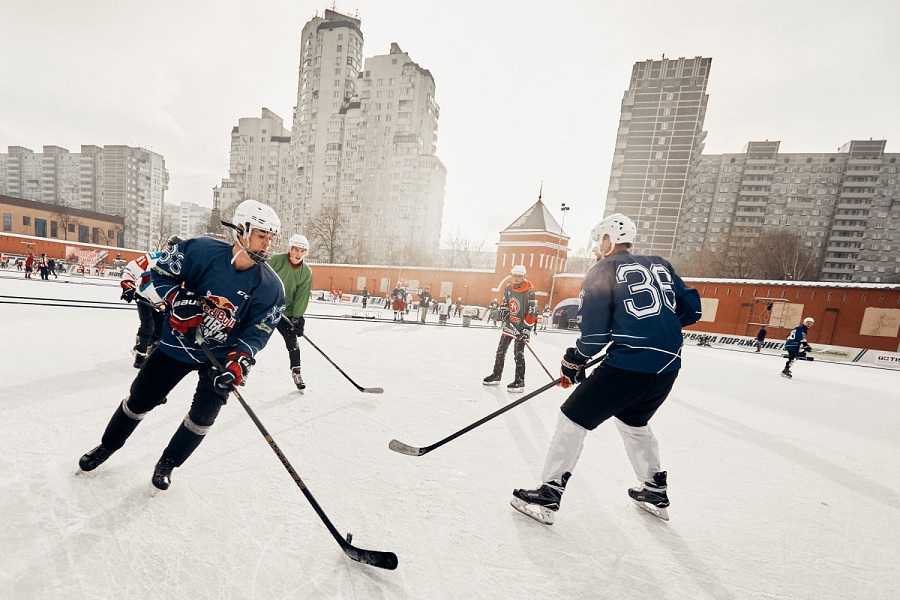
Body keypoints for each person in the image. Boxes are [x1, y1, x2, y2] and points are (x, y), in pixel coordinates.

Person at [78, 199, 285, 492]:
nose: (267, 244)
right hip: (177, 345)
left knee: (204, 416)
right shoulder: (200, 250)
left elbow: (257, 332)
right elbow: (157, 275)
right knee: (139, 399)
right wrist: (178, 298)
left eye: (270, 237)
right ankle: (107, 446)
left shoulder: (271, 287)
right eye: (262, 235)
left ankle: (168, 464)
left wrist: (240, 360)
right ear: (241, 230)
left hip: (219, 358)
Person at [510, 213, 701, 525]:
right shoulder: (661, 264)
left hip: (629, 365)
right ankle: (654, 489)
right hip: (668, 365)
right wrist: (653, 330)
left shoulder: (602, 270)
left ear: (610, 240)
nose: (596, 248)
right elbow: (693, 309)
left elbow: (595, 336)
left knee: (572, 418)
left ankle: (549, 492)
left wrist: (575, 359)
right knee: (633, 421)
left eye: (599, 241)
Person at [119, 236, 184, 369]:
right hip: (143, 296)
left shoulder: (182, 268)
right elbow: (131, 269)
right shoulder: (152, 258)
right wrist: (128, 287)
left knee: (160, 330)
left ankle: (147, 349)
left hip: (160, 303)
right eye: (171, 248)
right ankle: (140, 355)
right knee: (147, 326)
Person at [268, 234, 313, 391]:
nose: (298, 254)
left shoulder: (306, 272)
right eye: (296, 249)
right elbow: (262, 278)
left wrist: (297, 318)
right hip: (268, 307)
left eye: (302, 251)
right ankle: (243, 367)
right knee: (254, 336)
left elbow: (301, 296)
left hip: (286, 312)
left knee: (293, 343)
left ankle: (296, 372)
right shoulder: (276, 260)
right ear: (290, 249)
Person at [482, 265, 537, 392]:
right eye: (514, 276)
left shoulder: (529, 292)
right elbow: (505, 303)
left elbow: (531, 312)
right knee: (500, 350)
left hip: (521, 327)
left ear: (524, 277)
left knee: (518, 354)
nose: (516, 278)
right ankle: (496, 374)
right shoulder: (507, 288)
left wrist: (526, 330)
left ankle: (520, 380)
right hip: (509, 325)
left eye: (519, 276)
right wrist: (504, 310)